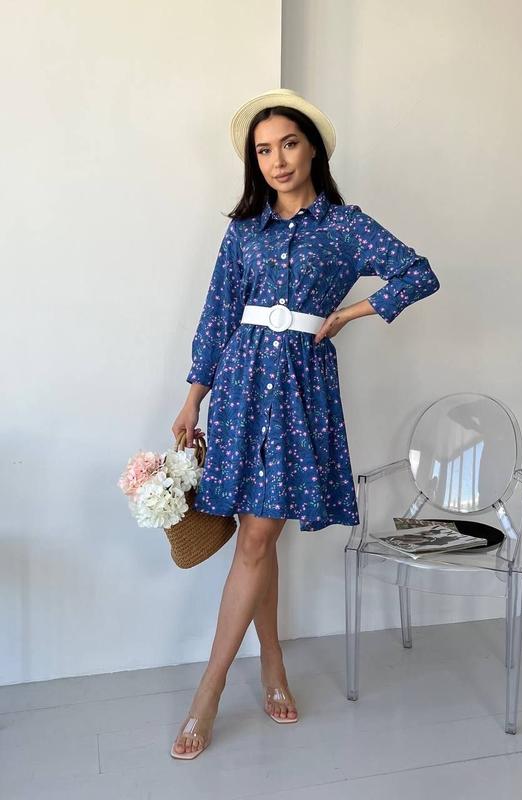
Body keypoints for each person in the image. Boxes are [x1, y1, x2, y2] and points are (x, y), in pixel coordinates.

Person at [170, 88, 441, 759]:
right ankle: (271, 665)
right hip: (241, 384)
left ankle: (208, 692)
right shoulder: (244, 232)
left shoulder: (346, 227)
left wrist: (351, 313)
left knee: (259, 535)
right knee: (258, 536)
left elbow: (418, 273)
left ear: (313, 148)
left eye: (288, 143)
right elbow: (217, 314)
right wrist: (193, 398)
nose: (277, 160)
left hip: (300, 387)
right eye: (263, 150)